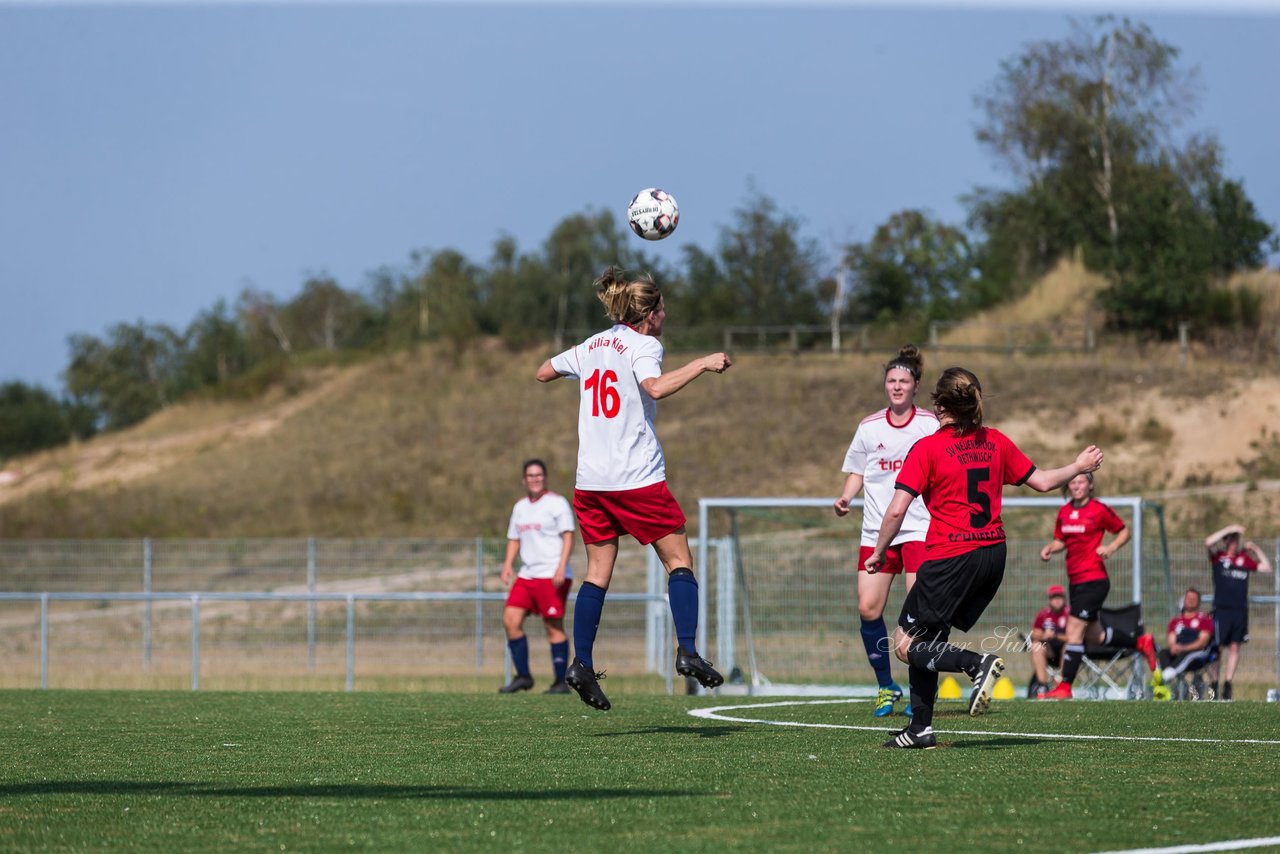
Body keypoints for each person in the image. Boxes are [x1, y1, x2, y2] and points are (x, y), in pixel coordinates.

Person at [866, 366, 1104, 749]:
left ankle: (975, 664)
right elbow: (1042, 481)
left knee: (905, 645)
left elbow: (895, 511)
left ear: (939, 404)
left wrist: (879, 552)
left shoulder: (927, 447)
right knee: (931, 637)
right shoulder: (995, 441)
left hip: (952, 555)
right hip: (993, 554)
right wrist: (1077, 467)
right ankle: (920, 729)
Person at [536, 266, 731, 711]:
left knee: (597, 573)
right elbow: (656, 388)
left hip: (591, 483)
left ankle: (581, 664)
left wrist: (584, 364)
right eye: (662, 309)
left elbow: (543, 372)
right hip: (635, 479)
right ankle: (687, 650)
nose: (665, 315)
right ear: (649, 314)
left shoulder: (592, 344)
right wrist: (703, 363)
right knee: (679, 560)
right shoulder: (645, 344)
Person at [834, 344, 938, 718]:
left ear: (915, 385)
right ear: (885, 385)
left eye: (904, 381)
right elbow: (858, 470)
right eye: (891, 380)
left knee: (918, 614)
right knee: (867, 608)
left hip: (919, 529)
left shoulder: (929, 424)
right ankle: (885, 686)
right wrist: (846, 497)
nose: (897, 386)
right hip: (876, 532)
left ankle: (919, 693)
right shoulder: (868, 426)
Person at [1035, 471, 1160, 700]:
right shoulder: (1064, 512)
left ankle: (1065, 687)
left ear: (1090, 485)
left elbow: (1124, 531)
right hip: (1076, 582)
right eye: (1072, 482)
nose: (1076, 485)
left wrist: (1110, 548)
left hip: (1093, 580)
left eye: (1081, 481)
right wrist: (1050, 548)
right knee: (1095, 635)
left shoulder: (1099, 510)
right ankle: (1141, 642)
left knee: (1074, 632)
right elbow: (1060, 540)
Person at [498, 458, 575, 695]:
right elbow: (514, 538)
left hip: (551, 575)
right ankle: (523, 676)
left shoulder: (557, 503)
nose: (535, 479)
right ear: (524, 480)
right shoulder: (520, 507)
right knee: (510, 621)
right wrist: (508, 564)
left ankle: (561, 681)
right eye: (531, 476)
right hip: (528, 574)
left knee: (552, 626)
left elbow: (568, 536)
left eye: (539, 475)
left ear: (545, 477)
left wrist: (561, 566)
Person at [1204, 524, 1273, 700]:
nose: (1234, 543)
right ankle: (1214, 684)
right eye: (1231, 539)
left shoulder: (1243, 559)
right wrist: (1229, 529)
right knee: (1217, 648)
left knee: (1235, 646)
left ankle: (1227, 685)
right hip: (1221, 610)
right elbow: (1208, 542)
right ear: (1226, 541)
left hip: (1239, 611)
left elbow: (1267, 568)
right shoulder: (1219, 558)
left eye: (1236, 540)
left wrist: (1255, 549)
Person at [1157, 587, 1215, 698]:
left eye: (1193, 598)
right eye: (1188, 598)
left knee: (1187, 655)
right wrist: (1174, 647)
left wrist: (1183, 648)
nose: (1190, 600)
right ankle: (1167, 676)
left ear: (1198, 602)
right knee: (1163, 653)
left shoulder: (1204, 620)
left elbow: (1202, 642)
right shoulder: (1175, 622)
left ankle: (1167, 676)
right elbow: (1171, 640)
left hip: (1198, 654)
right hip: (1178, 652)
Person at [1027, 584, 1068, 697]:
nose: (1057, 600)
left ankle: (1063, 683)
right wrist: (1043, 636)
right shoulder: (1043, 615)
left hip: (1067, 653)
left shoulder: (1069, 614)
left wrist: (1055, 636)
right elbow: (1034, 635)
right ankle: (1042, 685)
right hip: (1049, 653)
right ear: (1050, 599)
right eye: (1054, 597)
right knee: (1036, 646)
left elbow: (1074, 637)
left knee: (1069, 646)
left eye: (1060, 597)